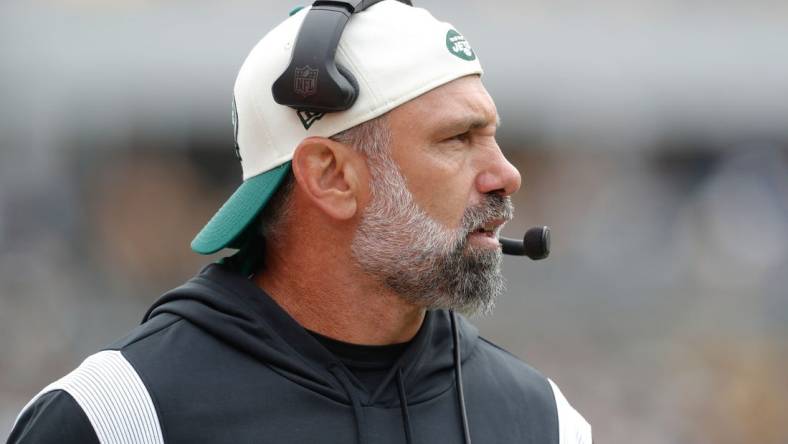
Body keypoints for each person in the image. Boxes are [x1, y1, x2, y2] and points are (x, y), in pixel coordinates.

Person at [7, 1, 591, 443]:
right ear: (331, 176)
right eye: (457, 138)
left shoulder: (544, 420)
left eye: (491, 135)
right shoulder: (117, 419)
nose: (506, 174)